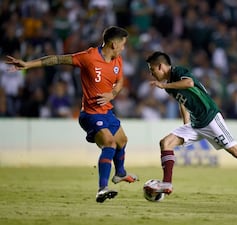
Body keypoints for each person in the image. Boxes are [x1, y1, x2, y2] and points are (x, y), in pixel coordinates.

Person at [6, 26, 138, 203]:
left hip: (107, 111)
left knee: (123, 140)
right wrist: (28, 65)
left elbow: (120, 82)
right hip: (90, 114)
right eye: (123, 44)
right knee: (110, 143)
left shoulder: (117, 60)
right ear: (113, 44)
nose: (124, 48)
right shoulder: (89, 57)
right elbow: (58, 59)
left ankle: (120, 173)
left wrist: (112, 94)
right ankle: (102, 188)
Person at [144, 51, 237, 203]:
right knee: (165, 143)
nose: (152, 74)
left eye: (152, 70)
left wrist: (163, 84)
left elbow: (189, 83)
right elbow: (182, 100)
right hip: (196, 124)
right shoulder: (169, 86)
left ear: (160, 66)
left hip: (211, 118)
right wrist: (186, 122)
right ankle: (167, 184)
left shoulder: (178, 72)